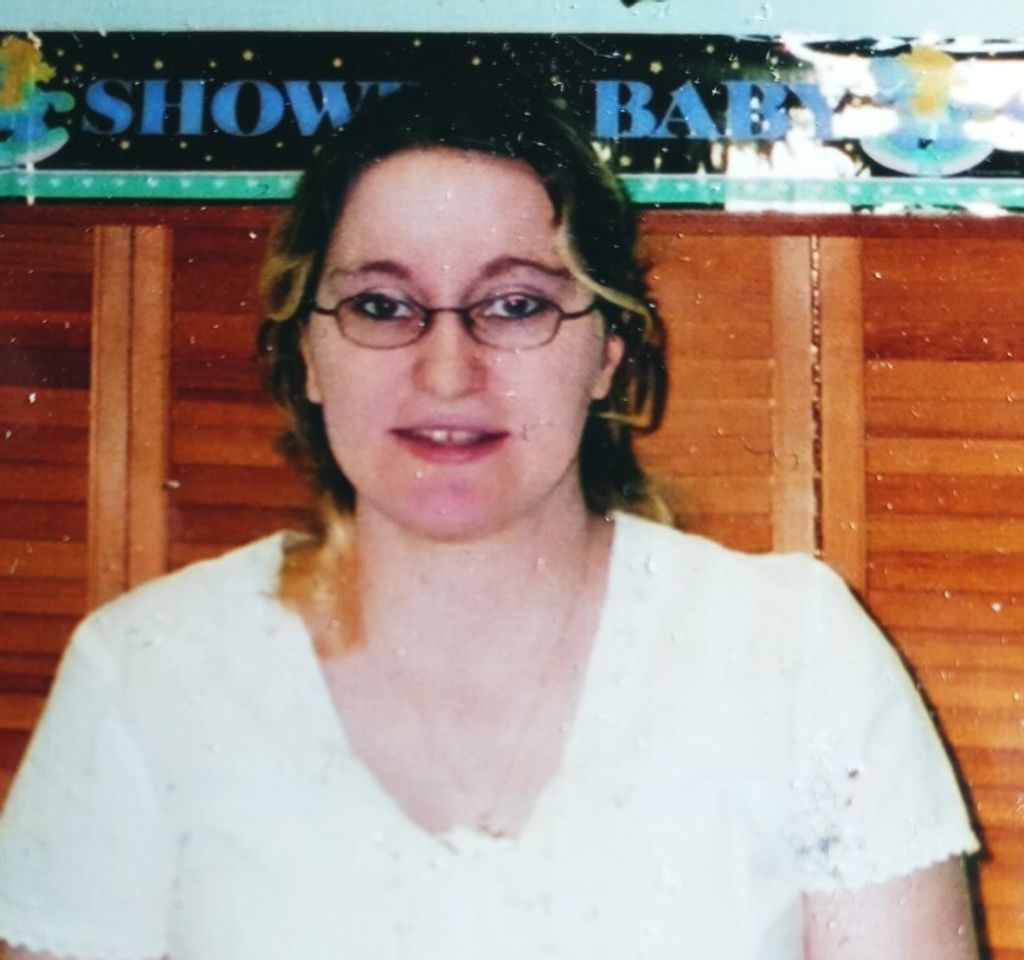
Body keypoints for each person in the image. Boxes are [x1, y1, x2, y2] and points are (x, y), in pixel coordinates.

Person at [0, 83, 981, 959]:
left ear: (607, 352)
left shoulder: (795, 654)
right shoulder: (147, 672)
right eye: (381, 305)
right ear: (306, 352)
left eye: (514, 305)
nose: (446, 372)